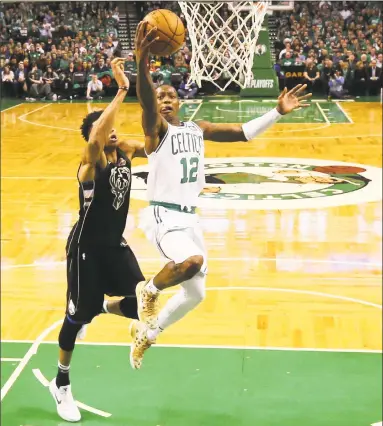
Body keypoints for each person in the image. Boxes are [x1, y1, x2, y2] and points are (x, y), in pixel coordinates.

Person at [129, 21, 312, 370]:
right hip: (163, 216)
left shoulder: (199, 129)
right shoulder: (156, 131)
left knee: (196, 294)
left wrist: (277, 112)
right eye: (160, 96)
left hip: (189, 218)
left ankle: (147, 335)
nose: (164, 100)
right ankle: (149, 290)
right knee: (191, 263)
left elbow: (242, 133)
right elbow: (147, 103)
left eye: (171, 96)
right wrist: (141, 62)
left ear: (181, 102)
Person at [49, 58, 147, 422]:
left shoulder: (126, 151)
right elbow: (94, 140)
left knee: (144, 304)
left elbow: (154, 140)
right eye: (105, 128)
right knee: (75, 318)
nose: (112, 132)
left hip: (114, 244)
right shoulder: (90, 165)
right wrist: (121, 89)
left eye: (113, 127)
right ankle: (61, 384)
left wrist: (145, 81)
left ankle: (103, 308)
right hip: (86, 248)